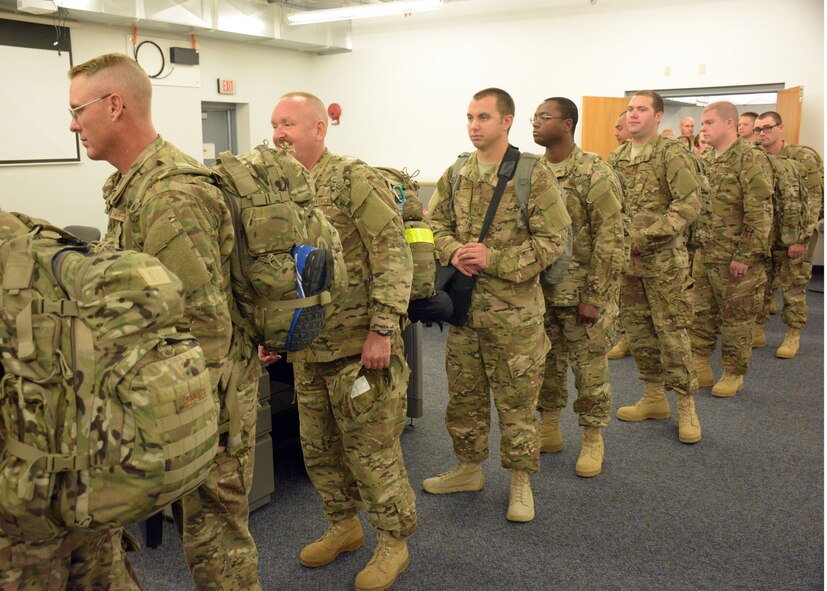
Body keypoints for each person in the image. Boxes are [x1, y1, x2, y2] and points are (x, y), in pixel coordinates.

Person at [66, 53, 263, 591]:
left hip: (203, 406)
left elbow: (207, 328)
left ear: (115, 105)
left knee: (218, 552)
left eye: (78, 110)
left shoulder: (169, 194)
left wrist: (209, 428)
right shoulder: (135, 186)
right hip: (175, 400)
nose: (72, 123)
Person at [269, 92, 416, 591]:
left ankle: (393, 542)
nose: (279, 133)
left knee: (371, 452)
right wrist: (274, 334)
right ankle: (343, 525)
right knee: (319, 450)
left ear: (319, 128)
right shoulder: (280, 188)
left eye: (288, 123)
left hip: (359, 347)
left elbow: (393, 252)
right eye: (275, 125)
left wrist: (382, 328)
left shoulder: (353, 178)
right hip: (308, 349)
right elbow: (280, 271)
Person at [423, 88, 570, 521]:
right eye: (470, 116)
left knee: (518, 402)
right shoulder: (455, 173)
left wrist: (495, 259)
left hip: (516, 316)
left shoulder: (532, 174)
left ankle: (521, 482)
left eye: (483, 117)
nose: (474, 125)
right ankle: (469, 468)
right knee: (464, 398)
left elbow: (553, 242)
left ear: (506, 121)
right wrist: (452, 252)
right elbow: (435, 225)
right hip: (465, 312)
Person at [531, 97, 625, 477]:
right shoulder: (533, 171)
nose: (534, 123)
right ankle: (549, 428)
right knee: (545, 365)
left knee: (589, 371)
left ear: (567, 123)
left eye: (543, 117)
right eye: (534, 117)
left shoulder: (593, 171)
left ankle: (592, 439)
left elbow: (612, 236)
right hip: (541, 292)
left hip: (582, 293)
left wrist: (596, 297)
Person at [608, 90, 702, 444]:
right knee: (639, 334)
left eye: (641, 109)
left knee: (673, 333)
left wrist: (643, 238)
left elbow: (687, 205)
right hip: (628, 266)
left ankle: (686, 406)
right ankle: (653, 397)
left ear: (658, 116)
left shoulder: (672, 154)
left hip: (665, 264)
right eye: (630, 109)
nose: (633, 115)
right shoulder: (616, 157)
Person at [690, 102, 773, 397]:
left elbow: (760, 212)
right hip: (705, 252)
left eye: (709, 123)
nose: (703, 129)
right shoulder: (707, 158)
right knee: (700, 312)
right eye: (702, 123)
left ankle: (733, 372)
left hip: (736, 257)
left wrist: (745, 256)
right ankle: (700, 362)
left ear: (729, 124)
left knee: (737, 318)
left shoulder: (750, 158)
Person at [752, 110, 824, 358]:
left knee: (793, 285)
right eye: (758, 129)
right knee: (761, 284)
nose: (762, 134)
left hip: (794, 234)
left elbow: (815, 199)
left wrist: (802, 238)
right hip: (764, 234)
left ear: (780, 128)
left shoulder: (802, 156)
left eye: (767, 128)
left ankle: (792, 334)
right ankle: (758, 328)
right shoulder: (754, 156)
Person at [608, 111, 633, 360]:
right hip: (625, 242)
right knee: (625, 299)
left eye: (619, 127)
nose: (616, 133)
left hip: (654, 247)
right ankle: (626, 337)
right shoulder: (615, 158)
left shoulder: (669, 155)